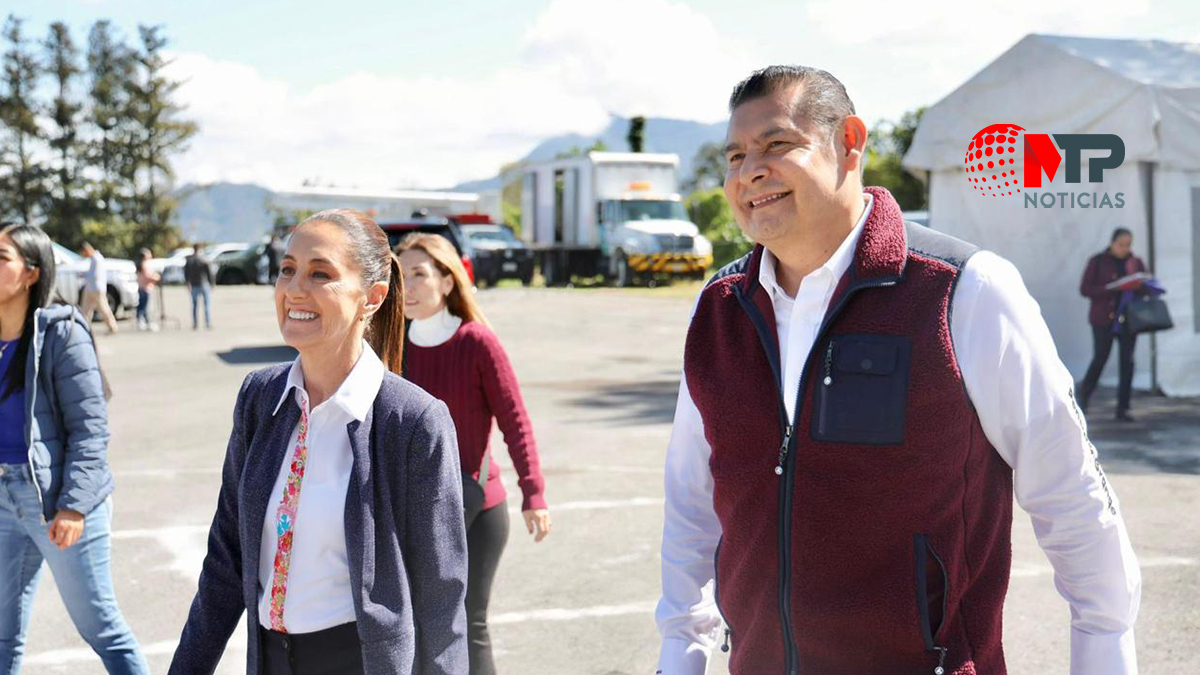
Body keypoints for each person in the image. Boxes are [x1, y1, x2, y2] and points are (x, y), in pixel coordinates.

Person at [656, 66, 1140, 675]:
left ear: (850, 143)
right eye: (734, 155)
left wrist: (1105, 659)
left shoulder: (964, 291)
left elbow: (1071, 495)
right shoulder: (718, 312)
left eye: (778, 145)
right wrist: (681, 653)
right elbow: (692, 507)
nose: (750, 170)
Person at [169, 209, 468, 675]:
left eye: (320, 273)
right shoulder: (259, 398)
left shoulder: (413, 421)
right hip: (269, 660)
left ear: (372, 297)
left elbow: (440, 598)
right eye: (287, 269)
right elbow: (227, 560)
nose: (294, 290)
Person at [396, 233, 551, 675]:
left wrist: (534, 494)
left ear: (448, 281)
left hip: (475, 507)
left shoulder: (477, 343)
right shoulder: (389, 348)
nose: (407, 285)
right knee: (414, 625)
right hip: (412, 512)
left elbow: (515, 421)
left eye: (419, 274)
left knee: (469, 621)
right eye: (400, 275)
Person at [0, 224, 150, 674]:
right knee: (2, 635)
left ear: (30, 273)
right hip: (3, 501)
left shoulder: (61, 333)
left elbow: (90, 429)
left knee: (102, 629)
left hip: (56, 502)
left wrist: (74, 507)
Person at [1077, 228, 1146, 421]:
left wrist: (1138, 286)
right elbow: (1085, 289)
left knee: (1128, 363)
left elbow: (1146, 285)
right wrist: (1112, 289)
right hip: (1103, 320)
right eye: (1121, 244)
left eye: (1128, 245)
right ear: (1112, 243)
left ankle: (1123, 407)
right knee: (1100, 358)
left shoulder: (1136, 262)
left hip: (1129, 321)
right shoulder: (1097, 261)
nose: (1125, 249)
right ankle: (1084, 397)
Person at [78, 242, 119, 334]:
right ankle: (84, 328)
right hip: (91, 288)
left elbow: (94, 275)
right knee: (86, 310)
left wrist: (83, 275)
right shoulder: (94, 259)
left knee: (103, 309)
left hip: (96, 289)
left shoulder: (97, 259)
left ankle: (112, 326)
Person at [183, 243, 214, 330]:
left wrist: (187, 283)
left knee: (194, 306)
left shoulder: (189, 260)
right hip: (204, 284)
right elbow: (209, 273)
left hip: (194, 285)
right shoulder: (204, 259)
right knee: (206, 305)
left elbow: (186, 274)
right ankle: (208, 323)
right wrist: (212, 283)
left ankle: (195, 324)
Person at [134, 248, 160, 332]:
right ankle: (145, 322)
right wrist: (156, 277)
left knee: (142, 306)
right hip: (146, 288)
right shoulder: (145, 265)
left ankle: (142, 321)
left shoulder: (140, 265)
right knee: (145, 307)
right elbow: (148, 276)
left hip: (141, 287)